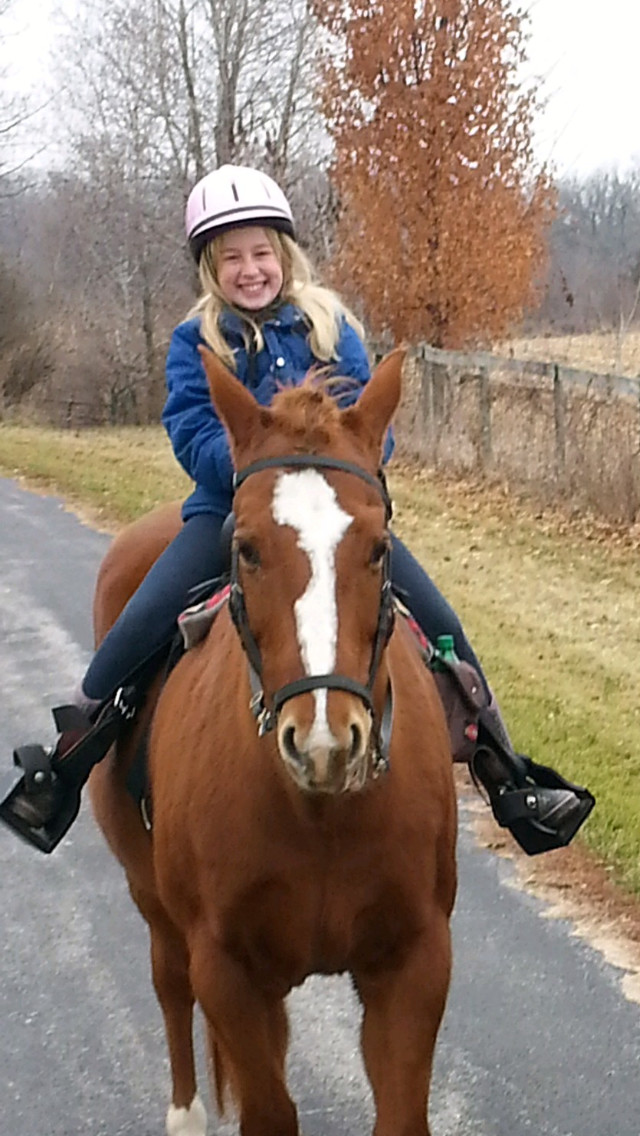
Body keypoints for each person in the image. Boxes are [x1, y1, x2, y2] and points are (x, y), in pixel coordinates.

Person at [0, 164, 594, 855]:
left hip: (332, 520)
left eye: (260, 254)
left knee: (440, 623)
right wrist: (261, 470)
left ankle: (506, 772)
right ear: (210, 269)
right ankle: (67, 764)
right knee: (140, 620)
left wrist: (349, 462)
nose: (250, 271)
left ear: (283, 254)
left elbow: (374, 423)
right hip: (230, 514)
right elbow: (191, 428)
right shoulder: (198, 343)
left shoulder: (329, 325)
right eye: (231, 259)